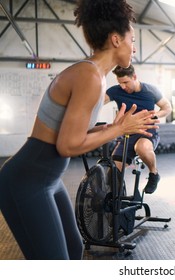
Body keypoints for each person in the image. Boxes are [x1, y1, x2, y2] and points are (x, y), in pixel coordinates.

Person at [0, 0, 159, 260]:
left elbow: (75, 133)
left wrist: (114, 127)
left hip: (47, 178)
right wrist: (120, 128)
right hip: (27, 181)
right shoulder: (90, 77)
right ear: (116, 39)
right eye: (133, 38)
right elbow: (68, 146)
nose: (135, 46)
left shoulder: (94, 74)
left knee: (74, 250)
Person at [105, 65, 172, 194]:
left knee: (141, 148)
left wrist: (155, 116)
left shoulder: (150, 90)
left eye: (126, 82)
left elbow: (167, 107)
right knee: (112, 174)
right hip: (127, 133)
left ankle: (154, 174)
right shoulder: (115, 91)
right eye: (120, 83)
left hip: (147, 131)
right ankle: (118, 202)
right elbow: (97, 103)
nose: (123, 87)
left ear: (134, 77)